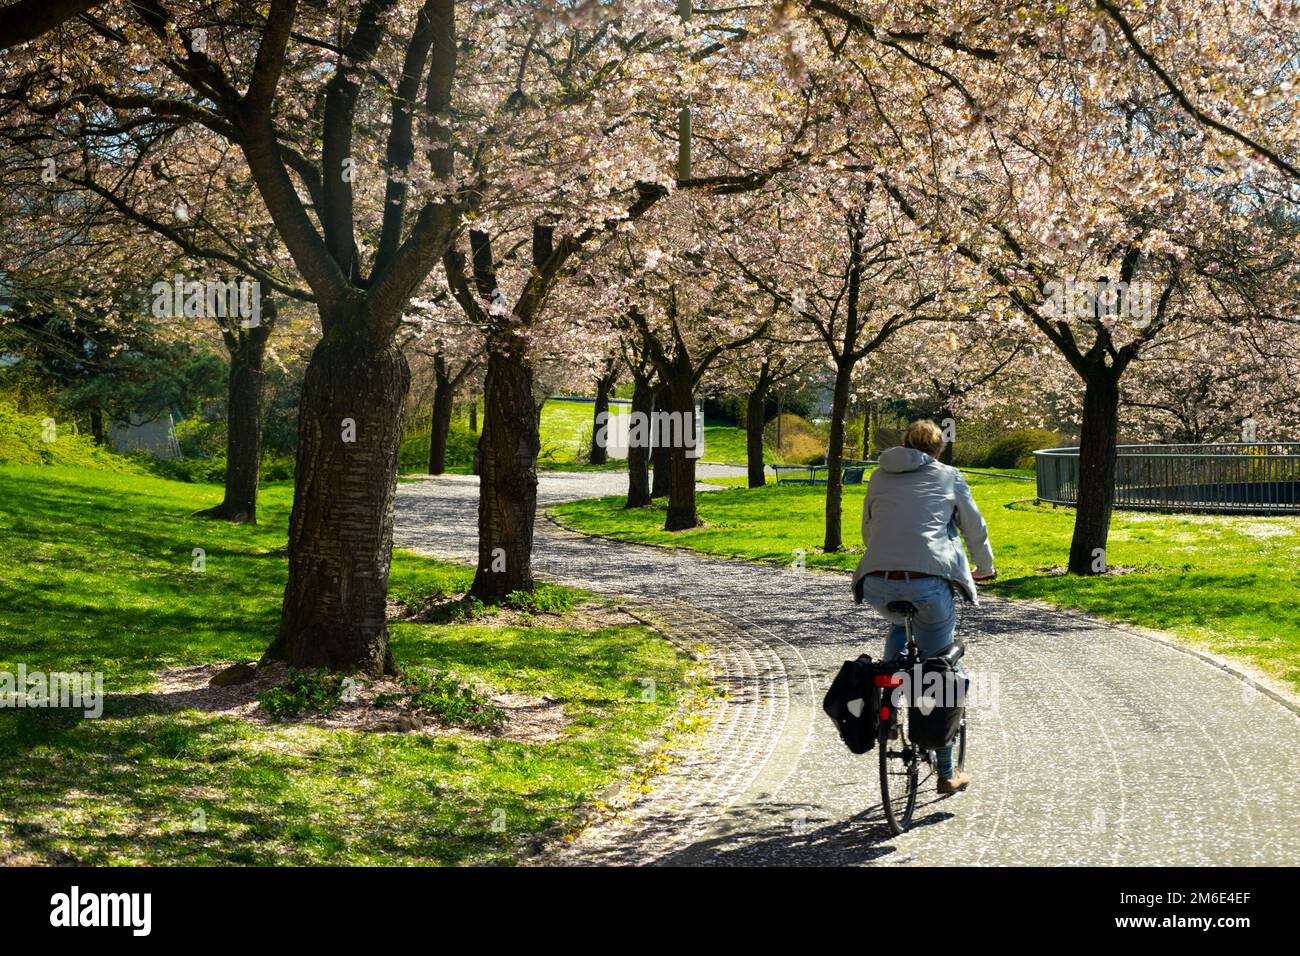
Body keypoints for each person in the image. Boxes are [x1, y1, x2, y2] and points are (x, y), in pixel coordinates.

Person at [851, 419, 996, 794]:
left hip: (877, 582)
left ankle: (891, 701)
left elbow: (869, 529)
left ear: (903, 444)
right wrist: (985, 568)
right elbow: (974, 526)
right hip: (929, 583)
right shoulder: (949, 476)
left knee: (900, 626)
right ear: (938, 450)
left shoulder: (878, 476)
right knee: (939, 665)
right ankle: (947, 772)